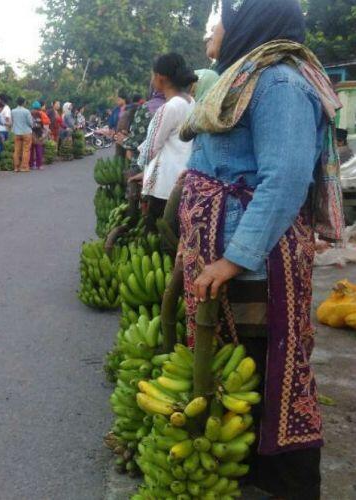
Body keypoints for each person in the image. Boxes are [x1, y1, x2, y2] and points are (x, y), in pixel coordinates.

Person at [179, 1, 345, 498]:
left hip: (255, 266)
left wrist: (233, 259)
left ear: (252, 21)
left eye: (221, 16)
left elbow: (285, 178)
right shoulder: (246, 78)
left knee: (268, 366)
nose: (213, 28)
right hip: (233, 258)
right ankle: (249, 474)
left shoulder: (278, 82)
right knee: (240, 367)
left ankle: (287, 485)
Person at [136, 53, 198, 229]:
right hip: (184, 180)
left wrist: (139, 166)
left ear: (160, 78)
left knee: (157, 235)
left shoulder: (168, 108)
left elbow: (150, 149)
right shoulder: (190, 102)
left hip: (164, 187)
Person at [11, 97, 34, 173]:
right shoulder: (26, 111)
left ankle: (16, 167)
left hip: (17, 133)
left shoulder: (13, 111)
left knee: (16, 150)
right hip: (26, 132)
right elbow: (30, 122)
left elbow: (12, 121)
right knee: (26, 150)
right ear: (24, 103)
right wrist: (32, 126)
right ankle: (24, 167)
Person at [29, 101, 46, 170]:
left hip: (31, 133)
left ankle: (31, 164)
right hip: (38, 134)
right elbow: (41, 124)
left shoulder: (29, 113)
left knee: (31, 150)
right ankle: (39, 165)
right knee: (39, 150)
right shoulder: (39, 114)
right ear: (39, 108)